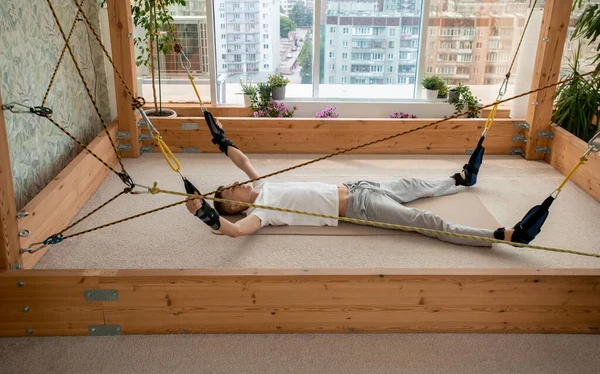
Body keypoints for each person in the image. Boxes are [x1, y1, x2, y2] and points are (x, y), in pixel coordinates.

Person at [185, 114, 535, 246]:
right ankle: (503, 235)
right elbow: (234, 232)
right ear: (235, 204)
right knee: (427, 222)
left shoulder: (262, 186)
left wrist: (221, 139)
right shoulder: (260, 213)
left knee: (417, 184)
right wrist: (205, 214)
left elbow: (243, 160)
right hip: (361, 207)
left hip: (358, 186)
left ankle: (461, 180)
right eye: (232, 189)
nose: (237, 182)